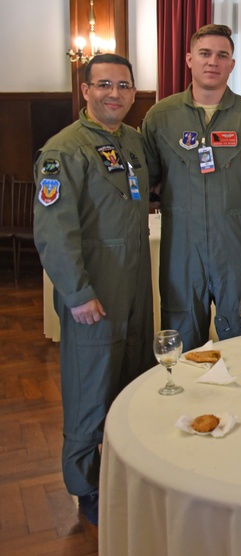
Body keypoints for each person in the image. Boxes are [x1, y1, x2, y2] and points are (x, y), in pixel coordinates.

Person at [34, 54, 154, 526]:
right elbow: (53, 233)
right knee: (90, 390)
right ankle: (86, 488)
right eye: (104, 85)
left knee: (132, 382)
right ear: (85, 89)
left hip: (135, 287)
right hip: (94, 292)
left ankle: (124, 474)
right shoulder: (63, 151)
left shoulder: (133, 143)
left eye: (124, 86)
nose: (115, 94)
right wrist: (78, 293)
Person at [142, 24, 241, 350]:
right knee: (180, 340)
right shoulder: (160, 117)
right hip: (182, 249)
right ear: (189, 59)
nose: (213, 62)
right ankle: (183, 402)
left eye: (222, 55)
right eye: (205, 54)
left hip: (237, 249)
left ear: (232, 64)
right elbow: (147, 180)